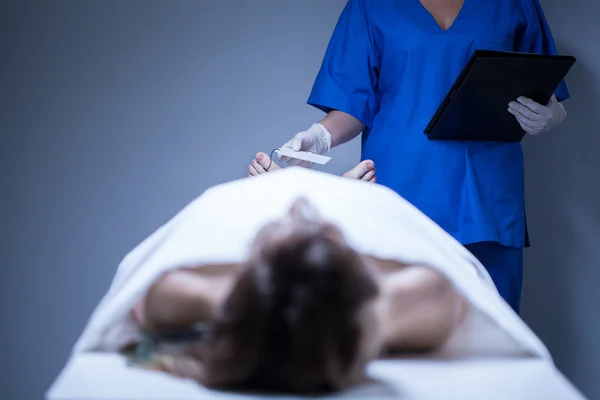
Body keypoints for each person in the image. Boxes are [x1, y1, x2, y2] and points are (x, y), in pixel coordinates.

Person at [72, 166, 551, 395]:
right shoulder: (401, 298)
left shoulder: (199, 291)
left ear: (253, 258)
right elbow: (441, 293)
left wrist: (264, 289)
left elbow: (147, 302)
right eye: (322, 225)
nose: (301, 202)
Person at [276, 0, 571, 313]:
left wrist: (553, 113)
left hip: (486, 197)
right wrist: (318, 137)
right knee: (399, 330)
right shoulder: (370, 7)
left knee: (493, 327)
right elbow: (352, 102)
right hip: (402, 189)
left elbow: (542, 85)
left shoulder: (514, 4)